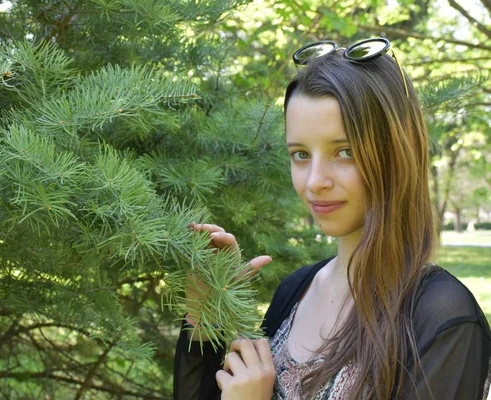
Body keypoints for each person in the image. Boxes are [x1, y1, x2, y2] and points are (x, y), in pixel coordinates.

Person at [173, 38, 491, 400]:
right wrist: (205, 318)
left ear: (396, 155)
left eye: (344, 152)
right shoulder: (295, 291)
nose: (314, 182)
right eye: (301, 154)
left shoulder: (442, 318)